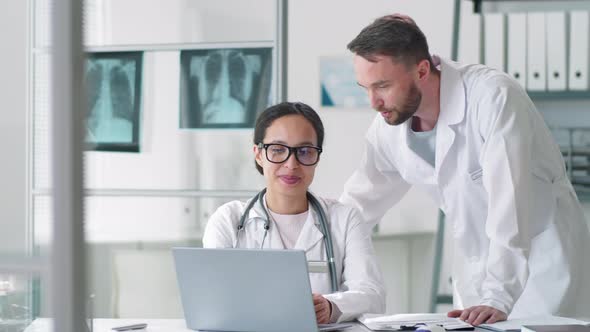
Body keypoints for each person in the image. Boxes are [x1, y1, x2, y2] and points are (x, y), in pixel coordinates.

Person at [341, 14, 590, 325]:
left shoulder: (492, 97)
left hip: (541, 264)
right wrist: (316, 253)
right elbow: (358, 204)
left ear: (421, 70)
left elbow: (509, 201)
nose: (373, 103)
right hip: (476, 268)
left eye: (383, 86)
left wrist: (498, 295)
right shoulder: (389, 126)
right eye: (365, 88)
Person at [203, 102, 385, 324]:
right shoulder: (228, 220)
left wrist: (332, 306)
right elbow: (214, 300)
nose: (291, 164)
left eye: (305, 152)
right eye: (278, 150)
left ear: (317, 157)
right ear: (258, 154)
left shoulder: (345, 219)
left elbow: (372, 295)